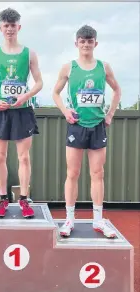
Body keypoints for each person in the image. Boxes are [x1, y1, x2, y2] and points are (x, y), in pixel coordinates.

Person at [52, 25, 121, 238]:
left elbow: (117, 90)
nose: (86, 44)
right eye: (82, 41)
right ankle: (69, 219)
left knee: (97, 173)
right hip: (77, 125)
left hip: (98, 125)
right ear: (76, 43)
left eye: (90, 41)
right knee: (72, 173)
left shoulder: (104, 67)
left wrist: (109, 115)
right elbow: (55, 93)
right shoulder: (68, 68)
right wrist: (65, 111)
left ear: (95, 44)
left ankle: (98, 220)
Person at [0, 8, 43, 218]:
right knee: (0, 157)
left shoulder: (29, 53)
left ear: (19, 27)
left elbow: (39, 82)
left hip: (22, 110)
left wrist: (24, 97)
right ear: (1, 28)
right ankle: (2, 199)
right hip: (1, 111)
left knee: (23, 157)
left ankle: (24, 199)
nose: (9, 29)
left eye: (13, 25)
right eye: (6, 25)